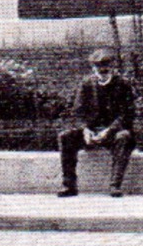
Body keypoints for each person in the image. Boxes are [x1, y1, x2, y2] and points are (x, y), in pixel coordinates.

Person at [58, 47, 136, 198]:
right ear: (93, 69)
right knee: (65, 137)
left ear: (112, 67)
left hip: (113, 132)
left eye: (106, 68)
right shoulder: (86, 84)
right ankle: (69, 185)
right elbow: (78, 111)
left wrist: (109, 131)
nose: (102, 72)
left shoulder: (123, 85)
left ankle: (115, 185)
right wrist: (85, 130)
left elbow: (127, 114)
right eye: (98, 68)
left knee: (124, 137)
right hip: (91, 131)